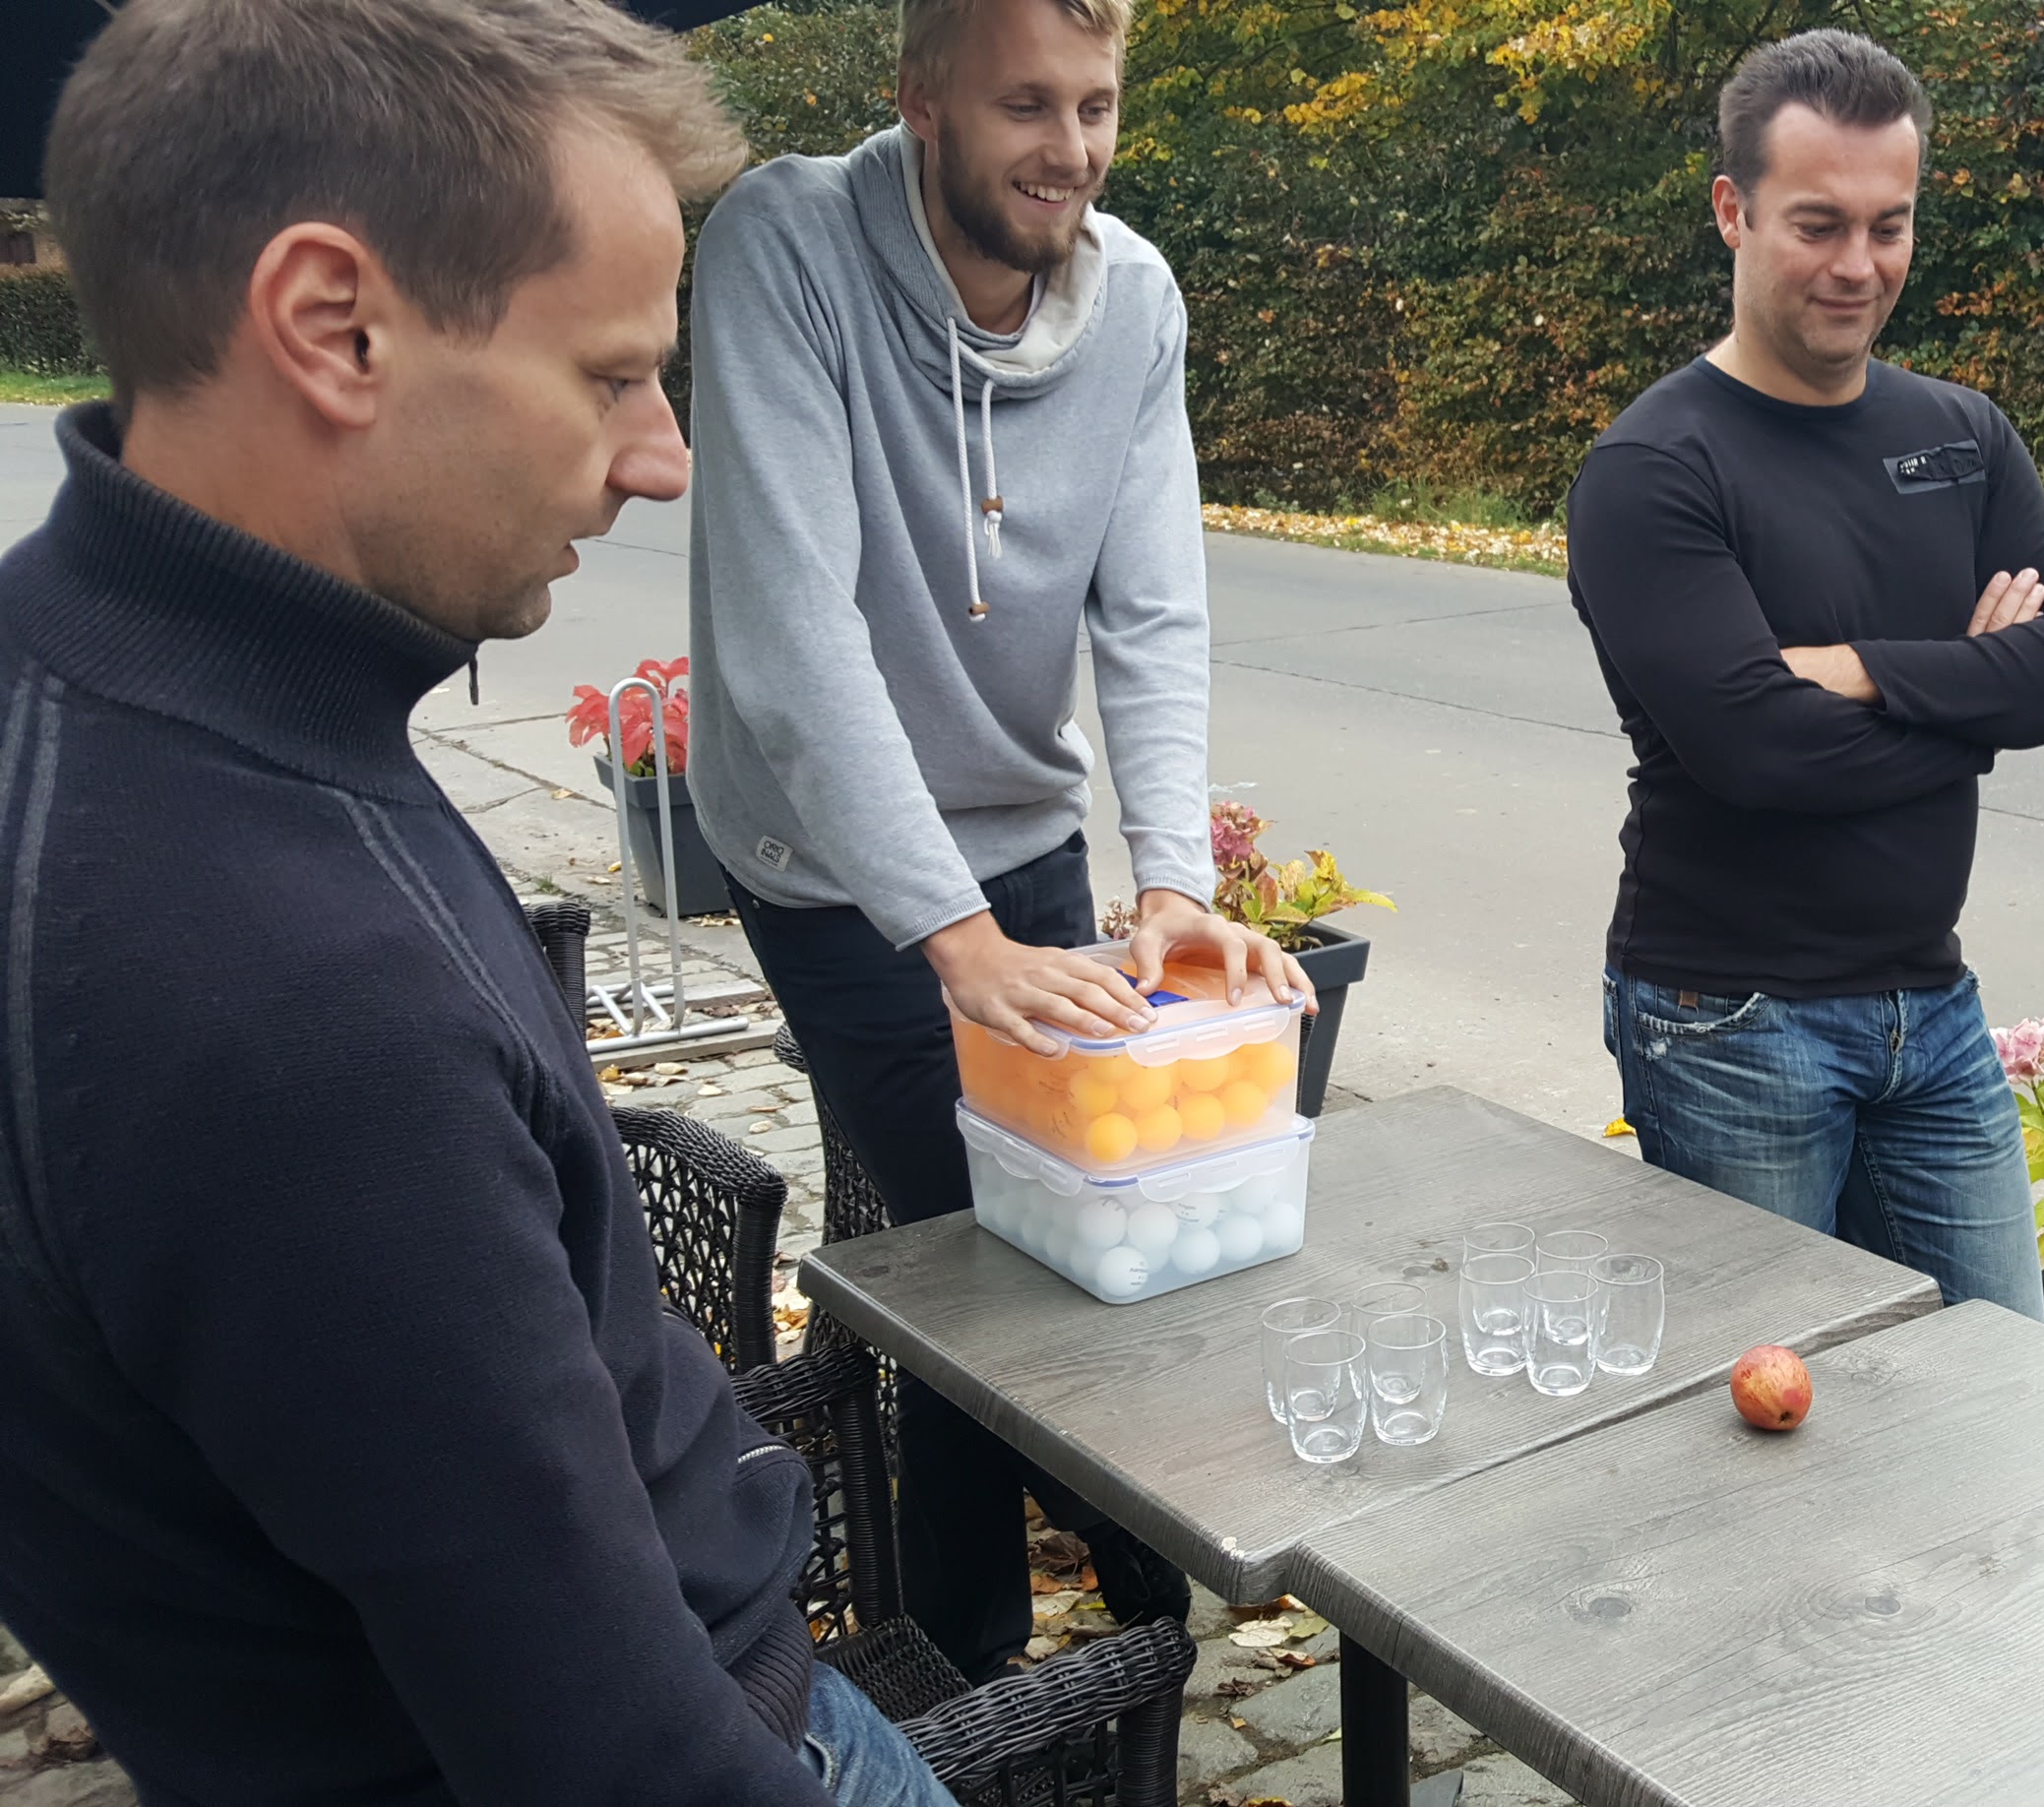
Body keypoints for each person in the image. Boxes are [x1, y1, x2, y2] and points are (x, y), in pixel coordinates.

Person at [0, 0, 947, 1799]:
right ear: (332, 324)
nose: (662, 454)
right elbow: (612, 1756)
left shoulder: (109, 703)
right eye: (609, 374)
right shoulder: (290, 992)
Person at [685, 0, 1301, 1676]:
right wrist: (952, 939)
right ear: (921, 100)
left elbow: (1152, 612)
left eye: (1097, 105)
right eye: (1028, 104)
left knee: (1029, 1219)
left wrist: (1168, 884)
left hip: (1021, 827)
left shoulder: (1138, 299)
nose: (1072, 151)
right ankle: (1055, 1618)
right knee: (993, 1247)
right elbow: (794, 635)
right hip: (827, 862)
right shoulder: (785, 247)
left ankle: (1043, 1630)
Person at [1566, 30, 2044, 1318]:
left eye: (1890, 225)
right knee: (1782, 1399)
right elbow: (1762, 752)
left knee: (1996, 1383)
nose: (1859, 266)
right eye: (1818, 225)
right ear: (1734, 211)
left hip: (1931, 1004)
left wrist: (1867, 671)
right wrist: (1984, 687)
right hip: (1729, 1020)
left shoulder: (1961, 435)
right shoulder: (1653, 470)